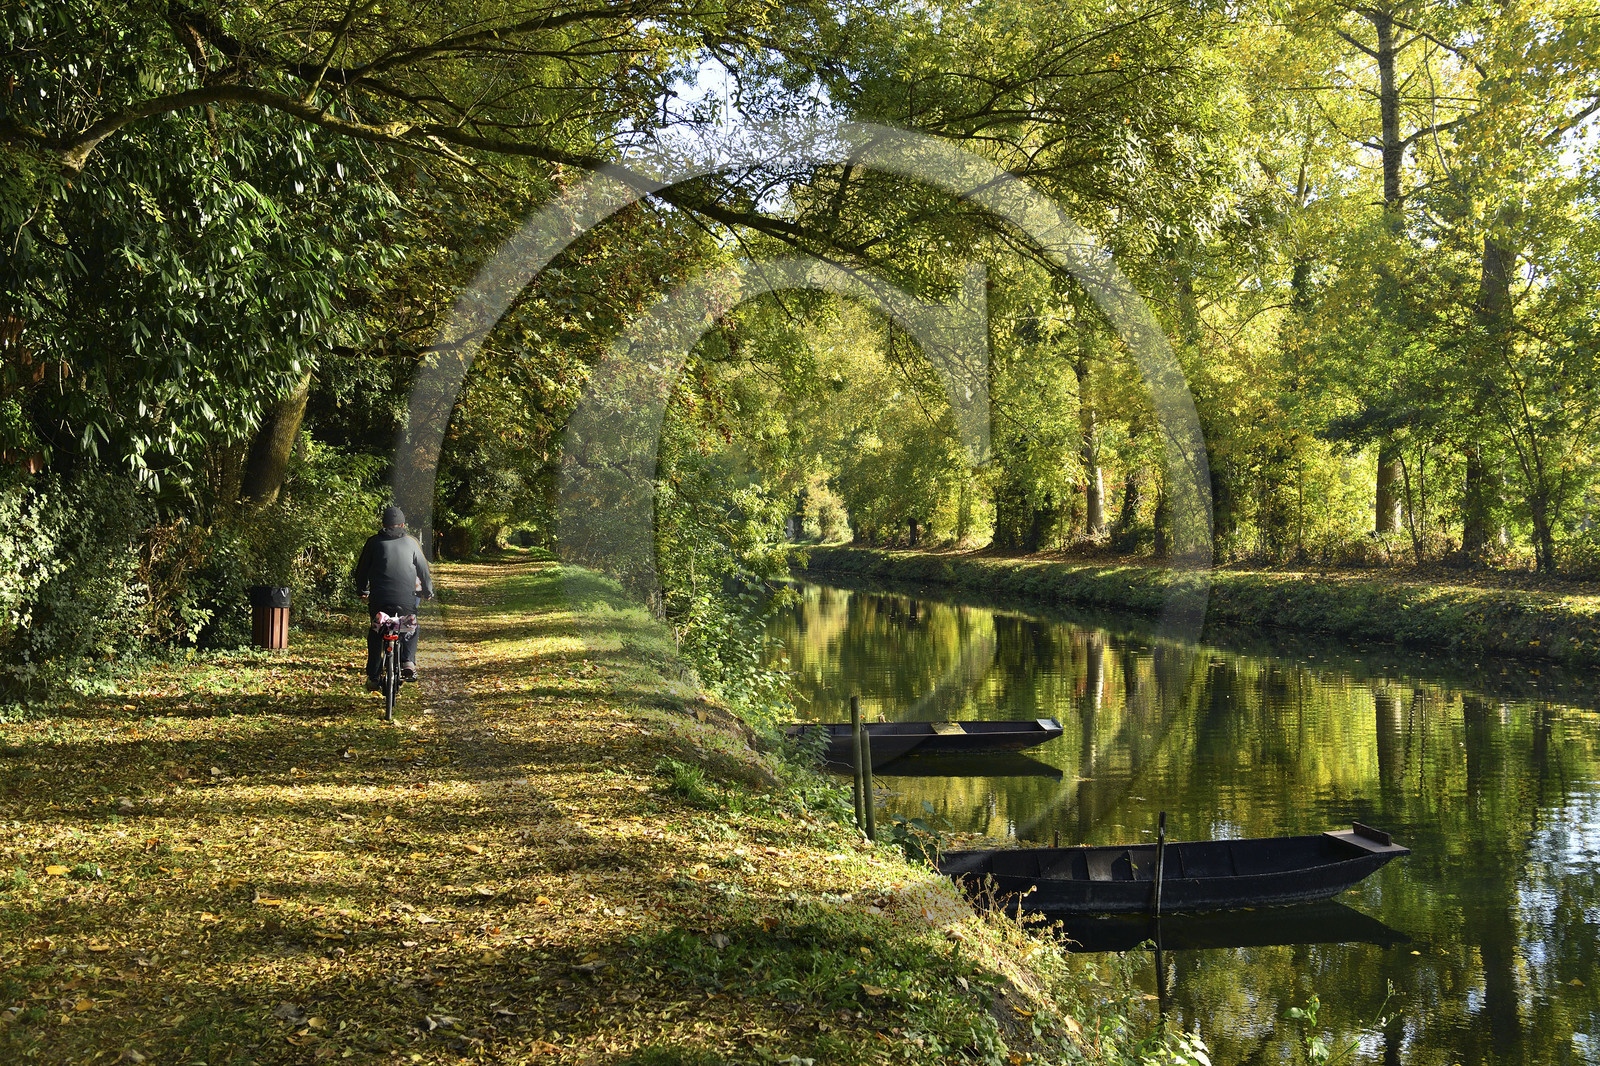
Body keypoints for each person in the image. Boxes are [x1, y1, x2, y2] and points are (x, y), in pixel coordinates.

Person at [354, 504, 434, 691]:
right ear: (402, 524)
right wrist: (427, 591)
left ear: (383, 524)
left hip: (379, 601)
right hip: (405, 601)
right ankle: (407, 662)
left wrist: (362, 589)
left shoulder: (373, 543)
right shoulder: (412, 542)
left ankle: (374, 676)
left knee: (375, 633)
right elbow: (424, 571)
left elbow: (362, 570)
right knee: (411, 627)